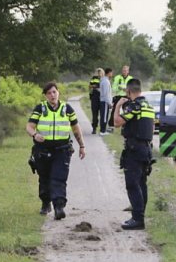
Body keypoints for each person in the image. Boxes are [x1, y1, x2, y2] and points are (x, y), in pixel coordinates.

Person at [26, 83, 86, 219]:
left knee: (59, 178)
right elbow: (29, 126)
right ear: (46, 95)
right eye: (49, 93)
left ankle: (59, 207)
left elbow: (76, 129)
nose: (52, 95)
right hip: (43, 150)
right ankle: (46, 203)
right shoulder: (40, 108)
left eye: (54, 92)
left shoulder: (67, 109)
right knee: (45, 178)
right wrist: (35, 135)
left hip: (62, 150)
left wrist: (82, 146)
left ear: (58, 92)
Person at [114, 78, 155, 230]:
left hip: (134, 149)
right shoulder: (148, 106)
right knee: (141, 183)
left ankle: (137, 219)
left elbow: (117, 122)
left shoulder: (135, 107)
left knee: (132, 184)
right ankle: (140, 214)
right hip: (146, 149)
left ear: (129, 91)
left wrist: (118, 105)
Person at [98, 68, 112, 134]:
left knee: (104, 115)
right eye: (111, 73)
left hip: (103, 101)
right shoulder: (106, 81)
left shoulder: (103, 80)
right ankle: (102, 131)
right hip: (105, 101)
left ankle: (103, 130)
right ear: (108, 73)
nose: (112, 74)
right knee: (104, 116)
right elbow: (106, 93)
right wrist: (109, 102)